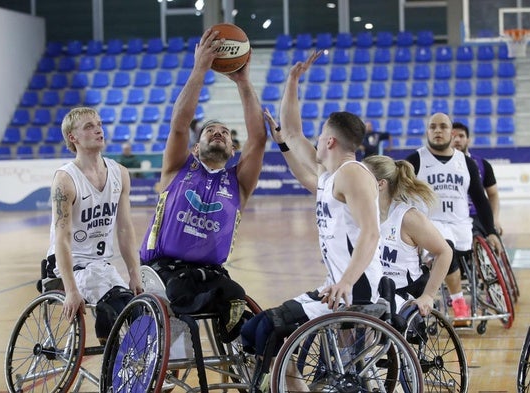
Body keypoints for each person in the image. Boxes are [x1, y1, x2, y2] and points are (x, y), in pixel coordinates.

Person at [241, 51, 383, 391]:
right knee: (255, 329)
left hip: (356, 288)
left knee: (267, 329)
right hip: (334, 284)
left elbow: (372, 233)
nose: (314, 139)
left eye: (319, 135)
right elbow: (290, 131)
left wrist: (347, 281)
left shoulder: (352, 175)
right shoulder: (329, 175)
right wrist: (292, 81)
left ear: (330, 141)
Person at [138, 28, 267, 343]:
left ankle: (251, 356)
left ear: (233, 151)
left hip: (210, 275)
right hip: (162, 270)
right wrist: (200, 69)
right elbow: (180, 124)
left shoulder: (238, 182)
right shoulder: (177, 168)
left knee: (239, 299)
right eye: (211, 130)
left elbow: (259, 138)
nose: (219, 133)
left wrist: (243, 82)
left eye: (225, 131)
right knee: (182, 294)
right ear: (196, 147)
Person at [46, 106, 142, 344]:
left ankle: (132, 363)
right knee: (113, 307)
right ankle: (111, 364)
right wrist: (70, 290)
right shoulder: (65, 179)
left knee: (138, 308)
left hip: (100, 265)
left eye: (99, 124)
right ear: (73, 137)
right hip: (68, 264)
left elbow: (124, 229)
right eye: (89, 126)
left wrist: (134, 274)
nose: (99, 130)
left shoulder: (120, 173)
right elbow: (62, 238)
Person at [405, 112, 501, 326]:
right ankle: (458, 305)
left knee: (452, 251)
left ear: (451, 132)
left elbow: (480, 198)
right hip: (430, 224)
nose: (438, 131)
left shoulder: (465, 163)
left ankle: (462, 299)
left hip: (461, 225)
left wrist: (491, 231)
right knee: (444, 248)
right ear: (427, 132)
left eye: (443, 127)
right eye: (433, 127)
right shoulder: (415, 160)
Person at [363, 155, 452, 316]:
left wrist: (429, 295)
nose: (355, 180)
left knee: (368, 314)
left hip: (403, 291)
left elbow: (445, 252)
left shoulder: (407, 217)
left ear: (380, 184)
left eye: (361, 176)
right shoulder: (360, 212)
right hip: (373, 289)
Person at [452, 121, 503, 236]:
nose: (457, 140)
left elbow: (493, 194)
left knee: (487, 238)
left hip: (477, 216)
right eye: (453, 136)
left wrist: (494, 219)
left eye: (461, 136)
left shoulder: (483, 164)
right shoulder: (439, 165)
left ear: (468, 140)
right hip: (451, 216)